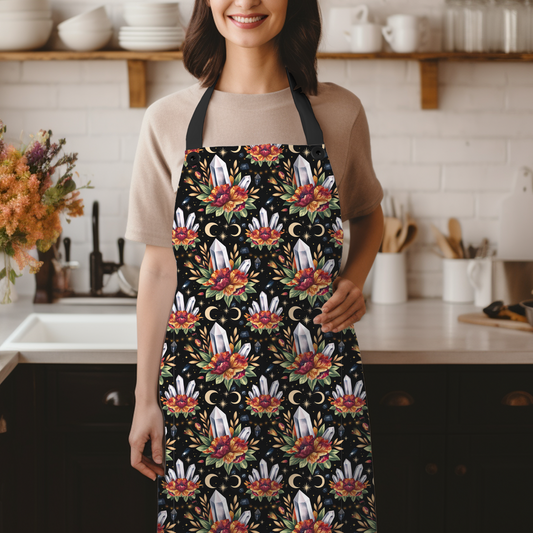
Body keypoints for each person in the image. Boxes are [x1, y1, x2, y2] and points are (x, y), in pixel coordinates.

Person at [126, 1, 384, 532]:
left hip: (318, 392)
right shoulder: (167, 120)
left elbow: (370, 217)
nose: (245, 2)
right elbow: (157, 270)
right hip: (201, 402)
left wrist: (355, 278)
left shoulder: (340, 112)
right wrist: (144, 398)